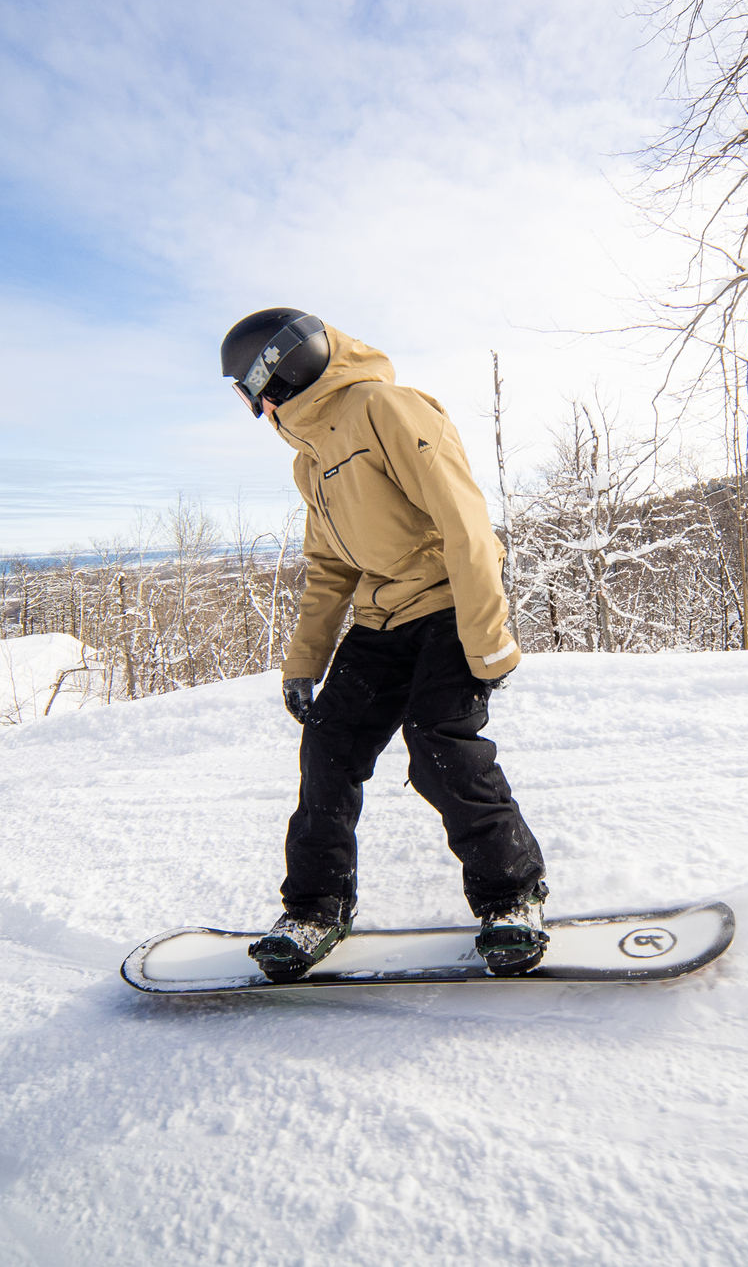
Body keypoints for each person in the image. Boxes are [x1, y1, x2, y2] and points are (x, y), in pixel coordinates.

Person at [219, 308, 548, 981]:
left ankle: (512, 898)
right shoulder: (310, 461)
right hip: (381, 618)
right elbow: (331, 569)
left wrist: (487, 640)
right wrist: (303, 661)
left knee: (439, 744)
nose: (254, 406)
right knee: (328, 750)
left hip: (448, 602)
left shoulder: (385, 409)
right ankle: (316, 909)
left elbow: (465, 522)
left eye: (248, 389)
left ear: (273, 373)